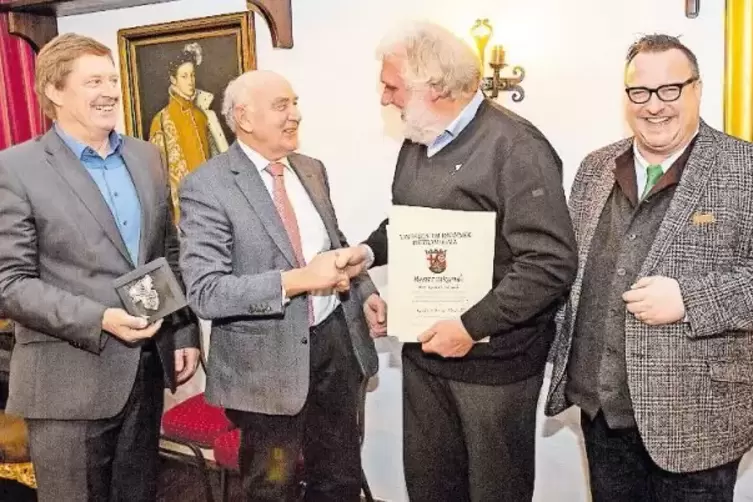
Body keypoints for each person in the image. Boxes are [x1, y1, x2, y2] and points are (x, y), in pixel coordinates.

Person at [352, 21, 578, 502]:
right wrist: (368, 253)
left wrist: (471, 326)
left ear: (432, 86)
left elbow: (549, 262)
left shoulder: (517, 147)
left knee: (494, 492)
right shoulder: (418, 138)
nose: (383, 97)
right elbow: (409, 224)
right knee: (431, 488)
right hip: (425, 357)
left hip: (493, 368)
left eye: (391, 86)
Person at [545, 34, 753, 502]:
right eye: (640, 92)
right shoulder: (595, 167)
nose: (654, 106)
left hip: (699, 422)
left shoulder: (746, 168)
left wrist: (691, 300)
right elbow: (567, 274)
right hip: (602, 414)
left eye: (670, 90)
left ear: (697, 89)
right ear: (626, 97)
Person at [0, 33, 200, 502]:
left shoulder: (144, 155)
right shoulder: (15, 168)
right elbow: (10, 283)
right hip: (65, 385)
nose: (110, 90)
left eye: (112, 78)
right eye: (94, 80)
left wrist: (183, 328)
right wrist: (100, 319)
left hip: (144, 375)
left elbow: (165, 252)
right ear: (54, 90)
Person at [178, 69, 382, 502]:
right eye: (282, 106)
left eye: (295, 103)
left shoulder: (311, 170)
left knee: (339, 477)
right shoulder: (207, 186)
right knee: (273, 486)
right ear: (244, 118)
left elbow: (335, 245)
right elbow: (206, 291)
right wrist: (298, 281)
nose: (296, 115)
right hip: (264, 369)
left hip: (334, 348)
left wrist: (365, 294)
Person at [149, 41, 228, 222]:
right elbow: (157, 175)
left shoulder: (202, 115)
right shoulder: (161, 120)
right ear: (173, 79)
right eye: (184, 76)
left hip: (213, 202)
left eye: (192, 75)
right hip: (182, 212)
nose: (190, 81)